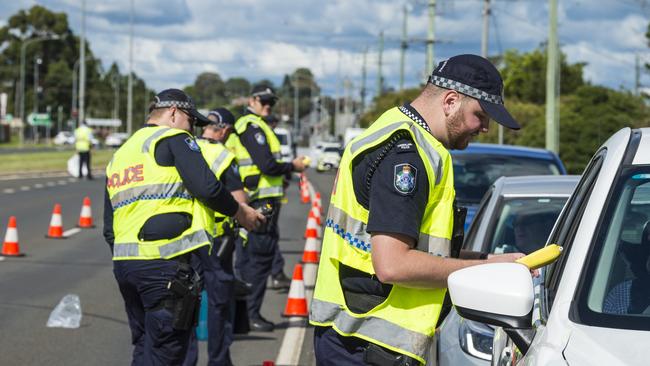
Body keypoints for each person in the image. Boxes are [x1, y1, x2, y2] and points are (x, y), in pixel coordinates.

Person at [309, 54, 527, 365]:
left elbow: (423, 251)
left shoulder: (394, 130)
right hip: (366, 345)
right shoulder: (407, 157)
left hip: (357, 338)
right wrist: (480, 272)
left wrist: (492, 263)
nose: (485, 128)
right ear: (450, 101)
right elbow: (393, 264)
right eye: (481, 114)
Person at [103, 89, 265, 365]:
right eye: (192, 122)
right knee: (168, 352)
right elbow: (208, 188)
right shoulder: (174, 137)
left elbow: (109, 226)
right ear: (175, 113)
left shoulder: (122, 154)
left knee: (144, 347)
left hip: (126, 266)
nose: (194, 131)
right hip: (165, 265)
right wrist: (243, 214)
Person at [225, 84, 306, 332]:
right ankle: (250, 315)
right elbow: (267, 165)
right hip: (258, 202)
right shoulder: (252, 127)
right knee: (258, 259)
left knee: (252, 258)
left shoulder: (257, 125)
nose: (268, 105)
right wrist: (292, 166)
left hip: (259, 200)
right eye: (264, 101)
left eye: (271, 102)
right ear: (252, 100)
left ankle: (244, 316)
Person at [183, 107, 246, 366]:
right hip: (217, 239)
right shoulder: (223, 156)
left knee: (185, 306)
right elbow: (239, 201)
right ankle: (219, 361)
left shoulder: (185, 149)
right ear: (226, 131)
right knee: (219, 305)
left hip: (183, 239)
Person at [262, 113, 292, 290]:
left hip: (269, 194)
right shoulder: (259, 134)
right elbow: (269, 165)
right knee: (266, 238)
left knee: (270, 235)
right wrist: (292, 167)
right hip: (261, 197)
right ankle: (276, 274)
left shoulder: (269, 136)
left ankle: (277, 273)